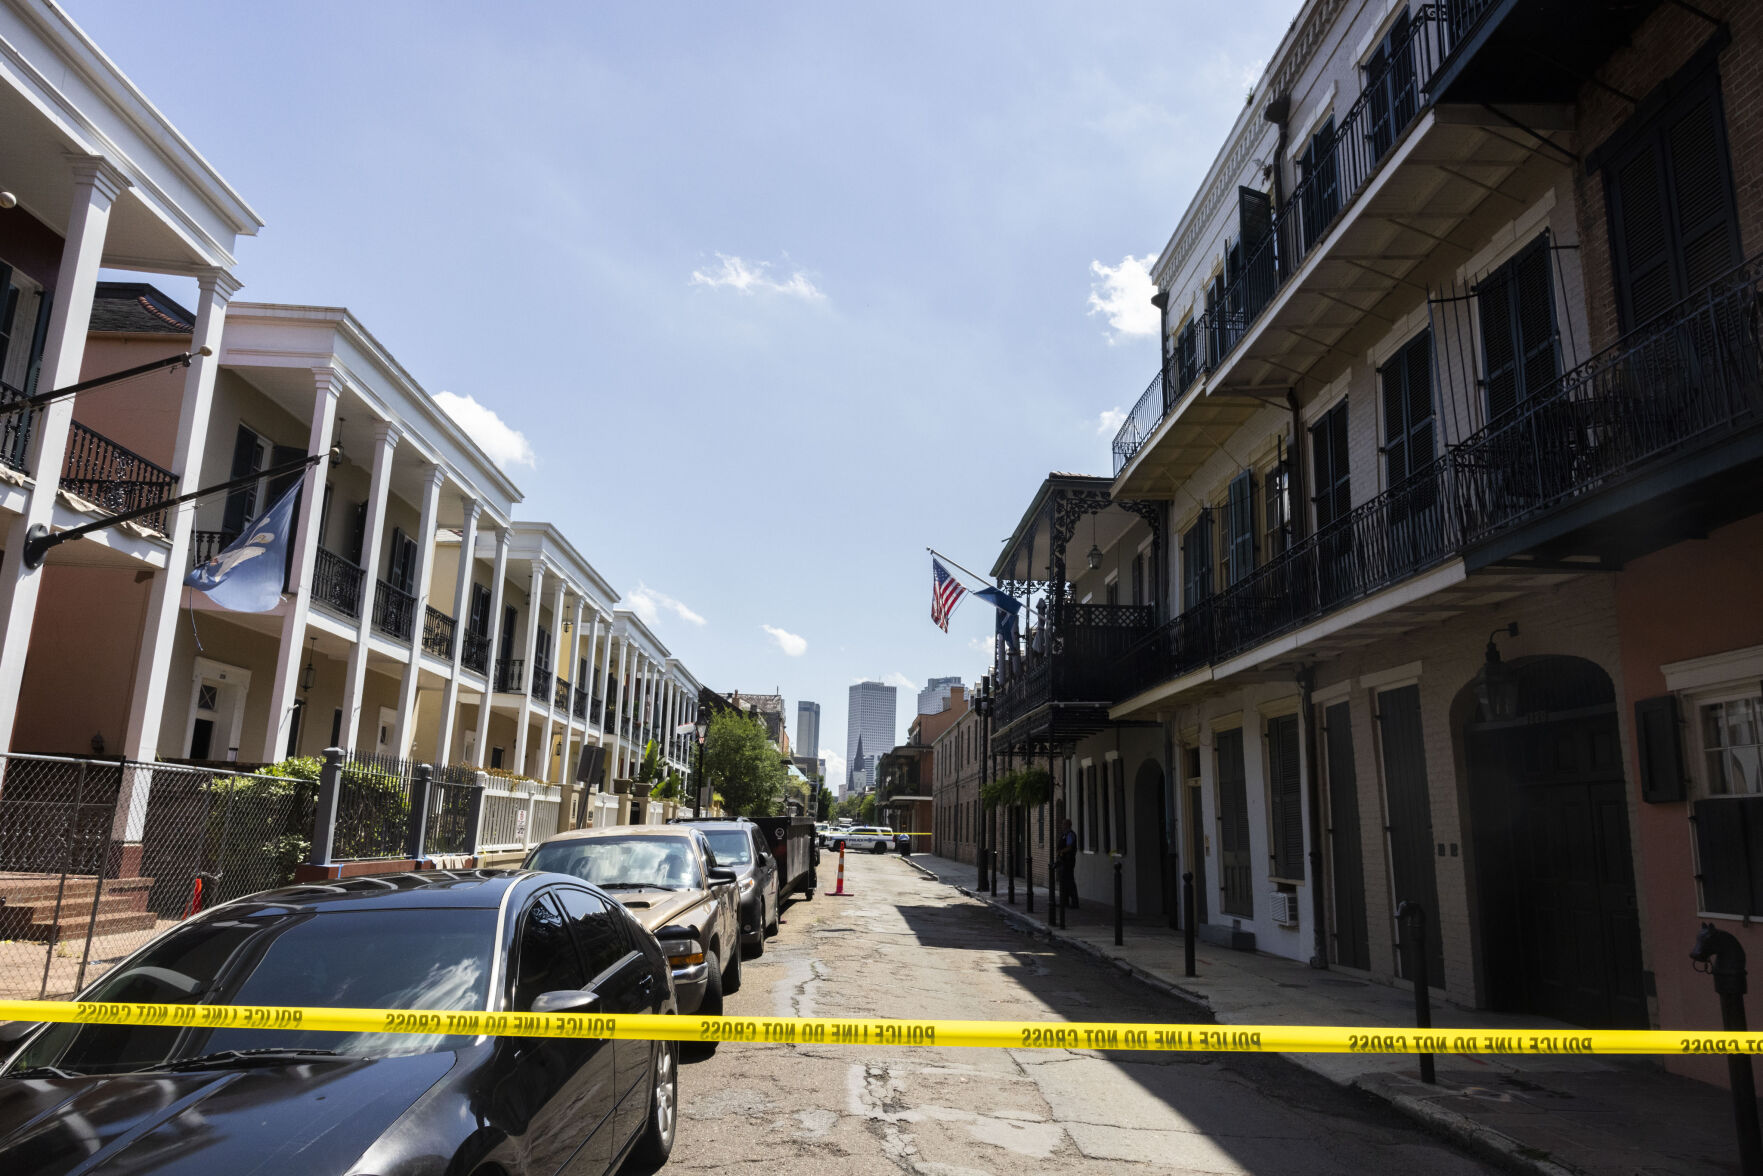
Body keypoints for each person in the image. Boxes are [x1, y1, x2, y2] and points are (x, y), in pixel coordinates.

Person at [1057, 817, 1078, 908]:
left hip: (1068, 861)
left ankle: (1074, 902)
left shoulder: (1070, 835)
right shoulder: (1064, 834)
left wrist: (1062, 852)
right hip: (1063, 861)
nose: (1062, 826)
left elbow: (1070, 847)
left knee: (1069, 881)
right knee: (1063, 881)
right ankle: (1064, 901)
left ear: (1067, 825)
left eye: (1063, 824)